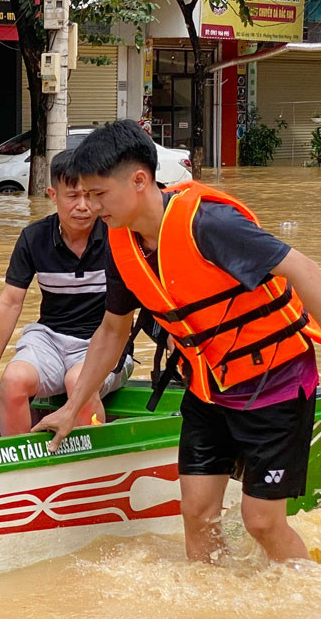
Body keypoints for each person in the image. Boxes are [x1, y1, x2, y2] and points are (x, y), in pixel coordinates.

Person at [33, 119, 321, 563]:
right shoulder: (121, 244)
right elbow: (112, 330)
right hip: (209, 387)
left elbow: (302, 269)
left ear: (139, 180)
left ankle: (303, 607)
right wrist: (73, 408)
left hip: (274, 381)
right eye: (83, 195)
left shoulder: (210, 223)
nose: (89, 207)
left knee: (261, 522)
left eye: (98, 194)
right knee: (197, 514)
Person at [0, 150, 132, 435]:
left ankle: (87, 466)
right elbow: (10, 301)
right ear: (53, 196)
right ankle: (19, 467)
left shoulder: (119, 236)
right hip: (50, 340)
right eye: (72, 196)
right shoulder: (34, 238)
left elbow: (152, 293)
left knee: (78, 381)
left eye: (89, 196)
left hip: (103, 342)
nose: (83, 206)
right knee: (14, 380)